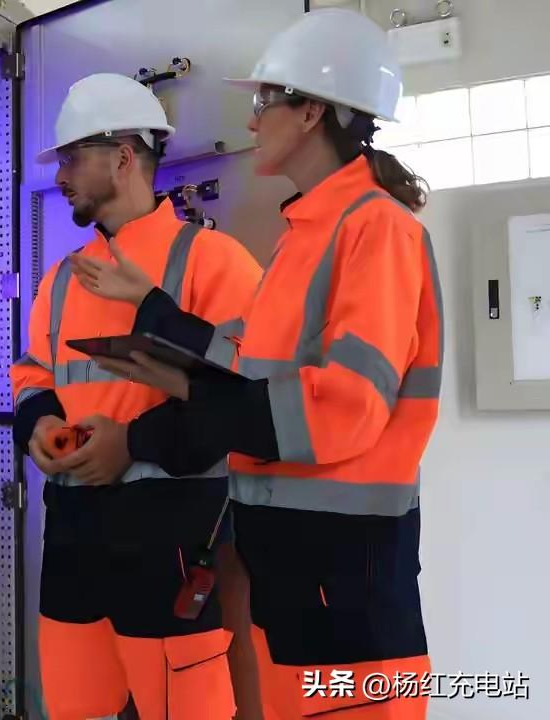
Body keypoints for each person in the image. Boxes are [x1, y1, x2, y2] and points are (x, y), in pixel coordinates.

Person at [69, 9, 441, 720]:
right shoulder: (304, 235)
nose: (251, 118)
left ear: (312, 112)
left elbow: (345, 406)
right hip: (293, 570)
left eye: (265, 99)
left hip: (348, 581)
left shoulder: (377, 229)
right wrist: (160, 334)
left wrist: (198, 405)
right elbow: (251, 357)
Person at [10, 72, 265, 720]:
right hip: (72, 542)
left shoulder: (216, 262)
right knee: (77, 708)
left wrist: (131, 444)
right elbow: (33, 376)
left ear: (122, 157)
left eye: (72, 157)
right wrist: (38, 425)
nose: (60, 175)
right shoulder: (59, 282)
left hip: (172, 540)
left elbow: (248, 402)